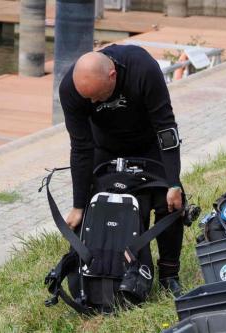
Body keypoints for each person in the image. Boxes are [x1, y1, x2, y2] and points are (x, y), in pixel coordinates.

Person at [59, 44, 184, 296]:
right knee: (100, 205)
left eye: (97, 96)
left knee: (168, 204)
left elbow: (165, 129)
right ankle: (108, 269)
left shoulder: (143, 68)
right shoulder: (71, 89)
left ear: (112, 75)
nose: (92, 102)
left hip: (149, 144)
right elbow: (80, 148)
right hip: (104, 146)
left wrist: (173, 183)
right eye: (88, 98)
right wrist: (79, 204)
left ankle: (169, 274)